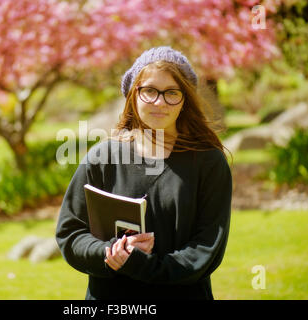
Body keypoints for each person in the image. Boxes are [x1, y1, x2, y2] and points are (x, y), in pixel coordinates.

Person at [56, 46, 232, 300]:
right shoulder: (102, 158)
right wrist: (111, 253)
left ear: (185, 100)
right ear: (133, 95)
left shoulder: (208, 162)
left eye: (171, 93)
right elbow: (70, 233)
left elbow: (206, 249)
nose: (159, 102)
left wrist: (140, 265)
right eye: (149, 91)